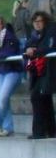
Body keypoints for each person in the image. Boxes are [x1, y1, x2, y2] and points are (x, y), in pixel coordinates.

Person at [24, 11, 56, 139]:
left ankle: (39, 132)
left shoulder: (51, 32)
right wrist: (28, 50)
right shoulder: (34, 35)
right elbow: (26, 48)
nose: (37, 24)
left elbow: (51, 47)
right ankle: (50, 130)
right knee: (44, 99)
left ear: (45, 21)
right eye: (35, 22)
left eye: (39, 21)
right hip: (39, 71)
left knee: (37, 97)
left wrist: (36, 51)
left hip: (49, 70)